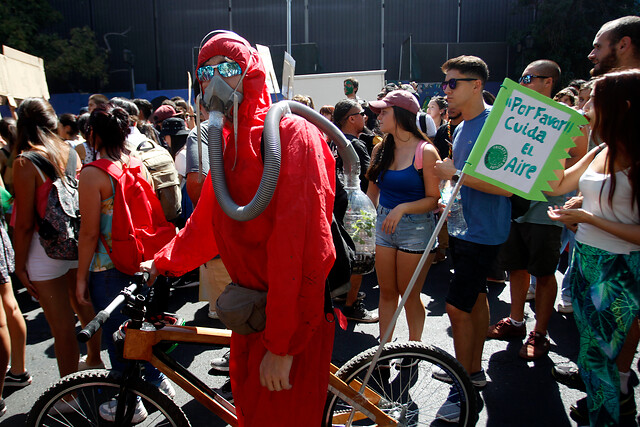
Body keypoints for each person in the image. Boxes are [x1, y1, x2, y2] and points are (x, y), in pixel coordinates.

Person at [143, 31, 336, 426]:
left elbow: (301, 247)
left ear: (250, 73)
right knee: (251, 412)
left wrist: (283, 345)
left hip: (292, 317)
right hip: (252, 314)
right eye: (206, 71)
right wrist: (162, 263)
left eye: (228, 68)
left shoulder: (289, 135)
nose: (215, 80)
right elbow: (208, 221)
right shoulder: (226, 145)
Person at [546, 69, 640, 427]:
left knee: (601, 362)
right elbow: (557, 182)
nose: (584, 106)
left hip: (620, 268)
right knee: (591, 358)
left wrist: (588, 218)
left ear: (624, 106)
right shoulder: (602, 148)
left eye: (593, 100)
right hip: (585, 258)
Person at [75, 102, 174, 422]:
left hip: (107, 266)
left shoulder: (93, 174)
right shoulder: (136, 163)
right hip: (140, 259)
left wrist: (80, 278)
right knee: (138, 328)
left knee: (118, 336)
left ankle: (126, 402)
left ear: (94, 136)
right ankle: (157, 383)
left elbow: (89, 232)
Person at [433, 56, 512, 422]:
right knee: (476, 298)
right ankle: (473, 373)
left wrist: (455, 173)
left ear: (476, 85)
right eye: (444, 84)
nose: (445, 91)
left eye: (453, 84)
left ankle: (462, 385)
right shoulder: (463, 126)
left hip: (484, 231)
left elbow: (508, 187)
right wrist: (449, 195)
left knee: (456, 307)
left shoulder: (496, 124)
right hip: (464, 227)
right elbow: (463, 179)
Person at [487, 60, 583, 360]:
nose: (523, 83)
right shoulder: (512, 116)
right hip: (514, 205)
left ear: (548, 82)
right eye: (522, 77)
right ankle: (516, 321)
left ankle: (540, 332)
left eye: (529, 78)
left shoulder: (572, 121)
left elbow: (579, 163)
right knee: (516, 266)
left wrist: (544, 165)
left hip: (546, 208)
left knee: (543, 272)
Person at [13, 98, 102, 380]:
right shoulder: (70, 152)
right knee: (84, 306)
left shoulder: (25, 162)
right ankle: (95, 360)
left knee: (61, 326)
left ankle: (69, 392)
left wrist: (19, 264)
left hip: (44, 250)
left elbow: (25, 224)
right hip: (76, 240)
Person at [365, 90, 440, 344]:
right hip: (384, 225)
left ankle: (414, 348)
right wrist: (364, 227)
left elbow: (433, 199)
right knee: (386, 293)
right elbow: (371, 193)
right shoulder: (380, 149)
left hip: (416, 228)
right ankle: (383, 351)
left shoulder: (426, 151)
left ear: (401, 115)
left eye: (384, 112)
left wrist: (403, 208)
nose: (378, 117)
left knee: (409, 294)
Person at [332, 99, 377, 323]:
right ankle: (351, 306)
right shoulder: (356, 145)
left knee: (341, 253)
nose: (365, 117)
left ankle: (341, 294)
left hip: (335, 207)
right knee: (358, 258)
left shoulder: (331, 141)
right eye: (361, 114)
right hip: (354, 209)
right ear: (351, 118)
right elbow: (369, 178)